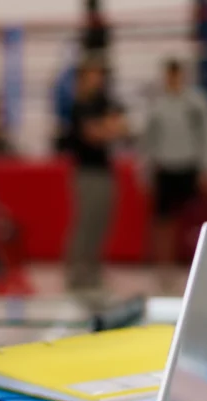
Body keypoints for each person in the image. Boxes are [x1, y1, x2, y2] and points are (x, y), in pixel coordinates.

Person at [141, 58, 207, 286]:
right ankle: (164, 269)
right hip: (165, 167)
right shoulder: (157, 104)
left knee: (194, 221)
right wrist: (146, 171)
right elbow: (148, 141)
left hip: (190, 167)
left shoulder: (196, 103)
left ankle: (198, 267)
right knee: (163, 221)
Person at [65, 57, 126, 293]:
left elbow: (121, 126)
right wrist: (107, 128)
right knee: (85, 221)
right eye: (93, 75)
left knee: (101, 220)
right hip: (86, 172)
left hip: (104, 169)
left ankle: (93, 268)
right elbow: (94, 134)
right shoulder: (80, 105)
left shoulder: (103, 102)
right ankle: (77, 270)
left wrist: (107, 128)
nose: (97, 80)